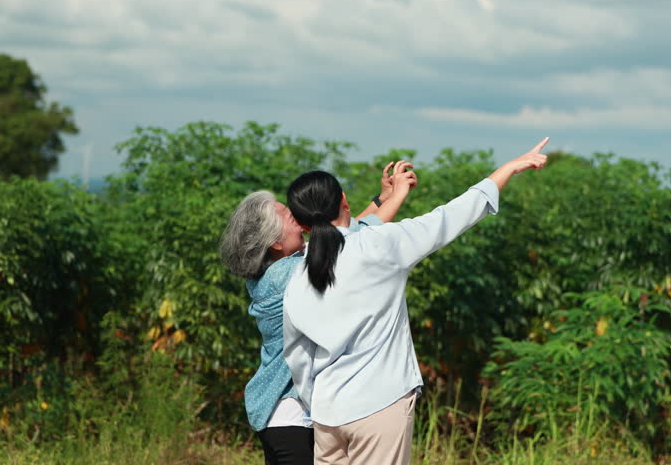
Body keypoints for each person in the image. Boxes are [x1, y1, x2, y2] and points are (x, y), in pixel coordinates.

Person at [282, 138, 550, 465]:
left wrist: (318, 402)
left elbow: (297, 354)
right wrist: (508, 168)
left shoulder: (296, 277)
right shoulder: (380, 247)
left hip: (326, 414)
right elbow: (450, 217)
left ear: (303, 223)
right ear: (344, 200)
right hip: (378, 407)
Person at [219, 162, 417, 465]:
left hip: (279, 417)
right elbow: (353, 243)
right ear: (274, 241)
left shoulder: (276, 270)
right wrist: (398, 197)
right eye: (290, 217)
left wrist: (381, 199)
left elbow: (341, 236)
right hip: (290, 416)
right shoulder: (285, 274)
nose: (300, 221)